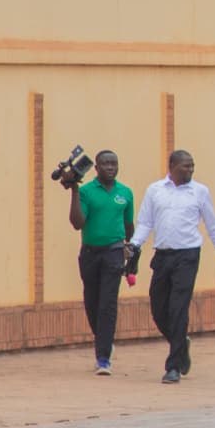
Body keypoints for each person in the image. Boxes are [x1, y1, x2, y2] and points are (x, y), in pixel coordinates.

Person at [130, 150, 215, 384]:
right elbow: (145, 223)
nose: (190, 170)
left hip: (187, 256)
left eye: (192, 166)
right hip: (163, 256)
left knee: (178, 308)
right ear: (172, 166)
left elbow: (213, 225)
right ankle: (180, 342)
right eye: (185, 166)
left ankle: (173, 366)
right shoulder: (155, 190)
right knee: (158, 308)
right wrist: (134, 245)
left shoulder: (200, 192)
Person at [68, 150, 134, 376]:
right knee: (92, 302)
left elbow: (129, 225)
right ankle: (103, 340)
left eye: (114, 163)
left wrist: (131, 249)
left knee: (108, 304)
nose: (110, 167)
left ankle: (103, 357)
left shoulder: (125, 193)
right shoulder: (86, 192)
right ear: (96, 168)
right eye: (105, 164)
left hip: (114, 253)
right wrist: (75, 190)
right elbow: (77, 223)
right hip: (90, 254)